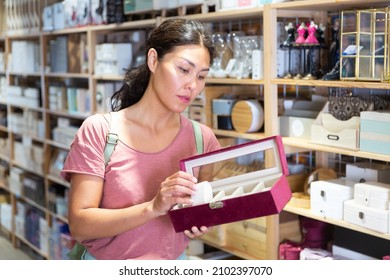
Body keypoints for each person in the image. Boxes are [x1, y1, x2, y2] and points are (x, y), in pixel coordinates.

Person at [60, 18, 221, 260]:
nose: (192, 86)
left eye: (201, 76)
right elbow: (80, 225)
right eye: (184, 69)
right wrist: (153, 207)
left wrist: (200, 221)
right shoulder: (100, 131)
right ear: (153, 60)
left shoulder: (202, 139)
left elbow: (203, 211)